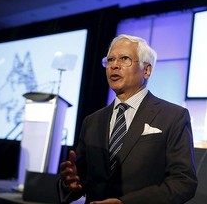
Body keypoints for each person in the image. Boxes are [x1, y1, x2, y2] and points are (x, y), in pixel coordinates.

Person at [58, 34, 198, 204]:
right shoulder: (92, 121)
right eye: (110, 60)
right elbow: (80, 180)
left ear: (146, 70)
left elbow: (184, 182)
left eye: (124, 59)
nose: (114, 66)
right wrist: (70, 184)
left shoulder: (173, 116)